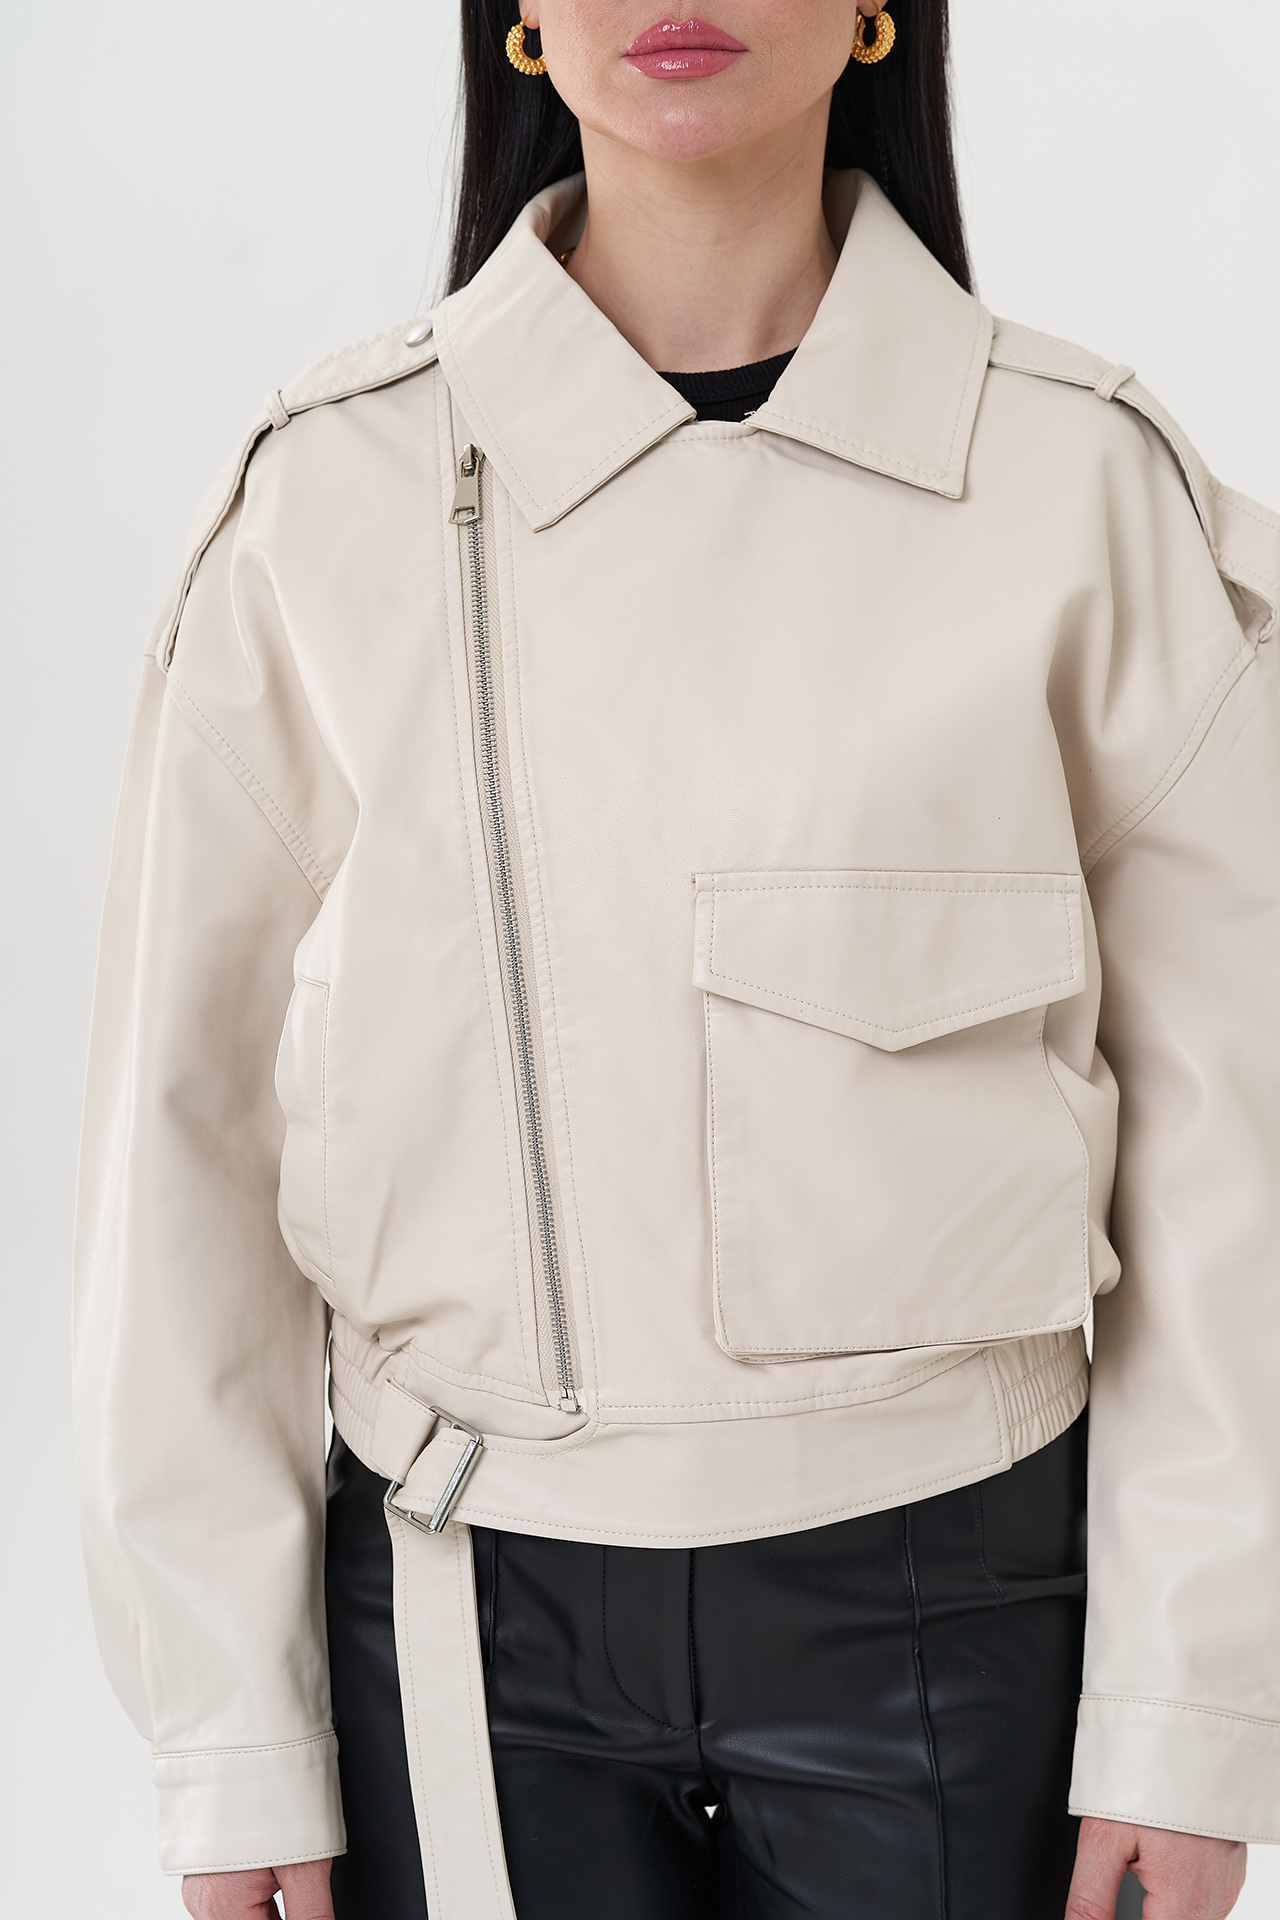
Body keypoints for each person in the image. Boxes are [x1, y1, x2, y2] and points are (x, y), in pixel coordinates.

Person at [74, 2, 1280, 1917]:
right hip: (465, 1606)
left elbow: (1239, 1147)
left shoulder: (1079, 485)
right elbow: (179, 1150)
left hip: (955, 1590)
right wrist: (234, 1735)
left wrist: (1187, 1708)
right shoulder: (328, 497)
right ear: (519, 19)